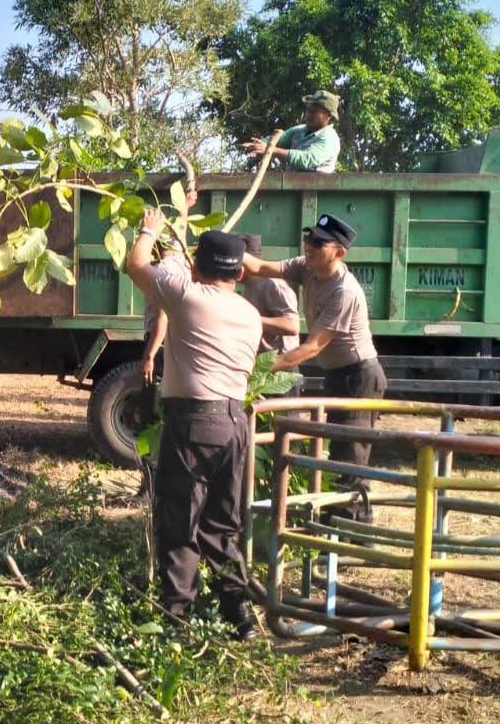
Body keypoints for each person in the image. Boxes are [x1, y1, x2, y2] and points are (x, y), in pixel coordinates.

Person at [126, 207, 262, 639]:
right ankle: (239, 616)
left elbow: (137, 264)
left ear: (197, 266)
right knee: (223, 522)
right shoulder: (250, 315)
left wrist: (153, 227)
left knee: (180, 518)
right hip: (235, 424)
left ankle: (175, 618)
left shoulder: (186, 297)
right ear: (240, 275)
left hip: (193, 423)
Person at [240, 214, 385, 523]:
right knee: (338, 448)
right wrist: (223, 249)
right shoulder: (306, 265)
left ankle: (353, 529)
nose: (310, 245)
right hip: (337, 374)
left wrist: (263, 372)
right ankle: (338, 523)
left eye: (319, 242)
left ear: (339, 252)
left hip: (359, 376)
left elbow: (311, 347)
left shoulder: (344, 290)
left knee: (351, 454)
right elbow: (261, 267)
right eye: (309, 238)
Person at [240, 90, 342, 174]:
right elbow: (277, 140)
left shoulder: (330, 138)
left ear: (328, 116)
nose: (308, 115)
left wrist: (271, 150)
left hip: (317, 191)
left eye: (314, 112)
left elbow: (306, 159)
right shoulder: (299, 130)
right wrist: (259, 145)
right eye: (308, 110)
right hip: (293, 187)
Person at [240, 234, 301, 356]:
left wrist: (249, 319)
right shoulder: (248, 285)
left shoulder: (273, 284)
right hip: (263, 364)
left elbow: (292, 326)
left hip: (282, 365)